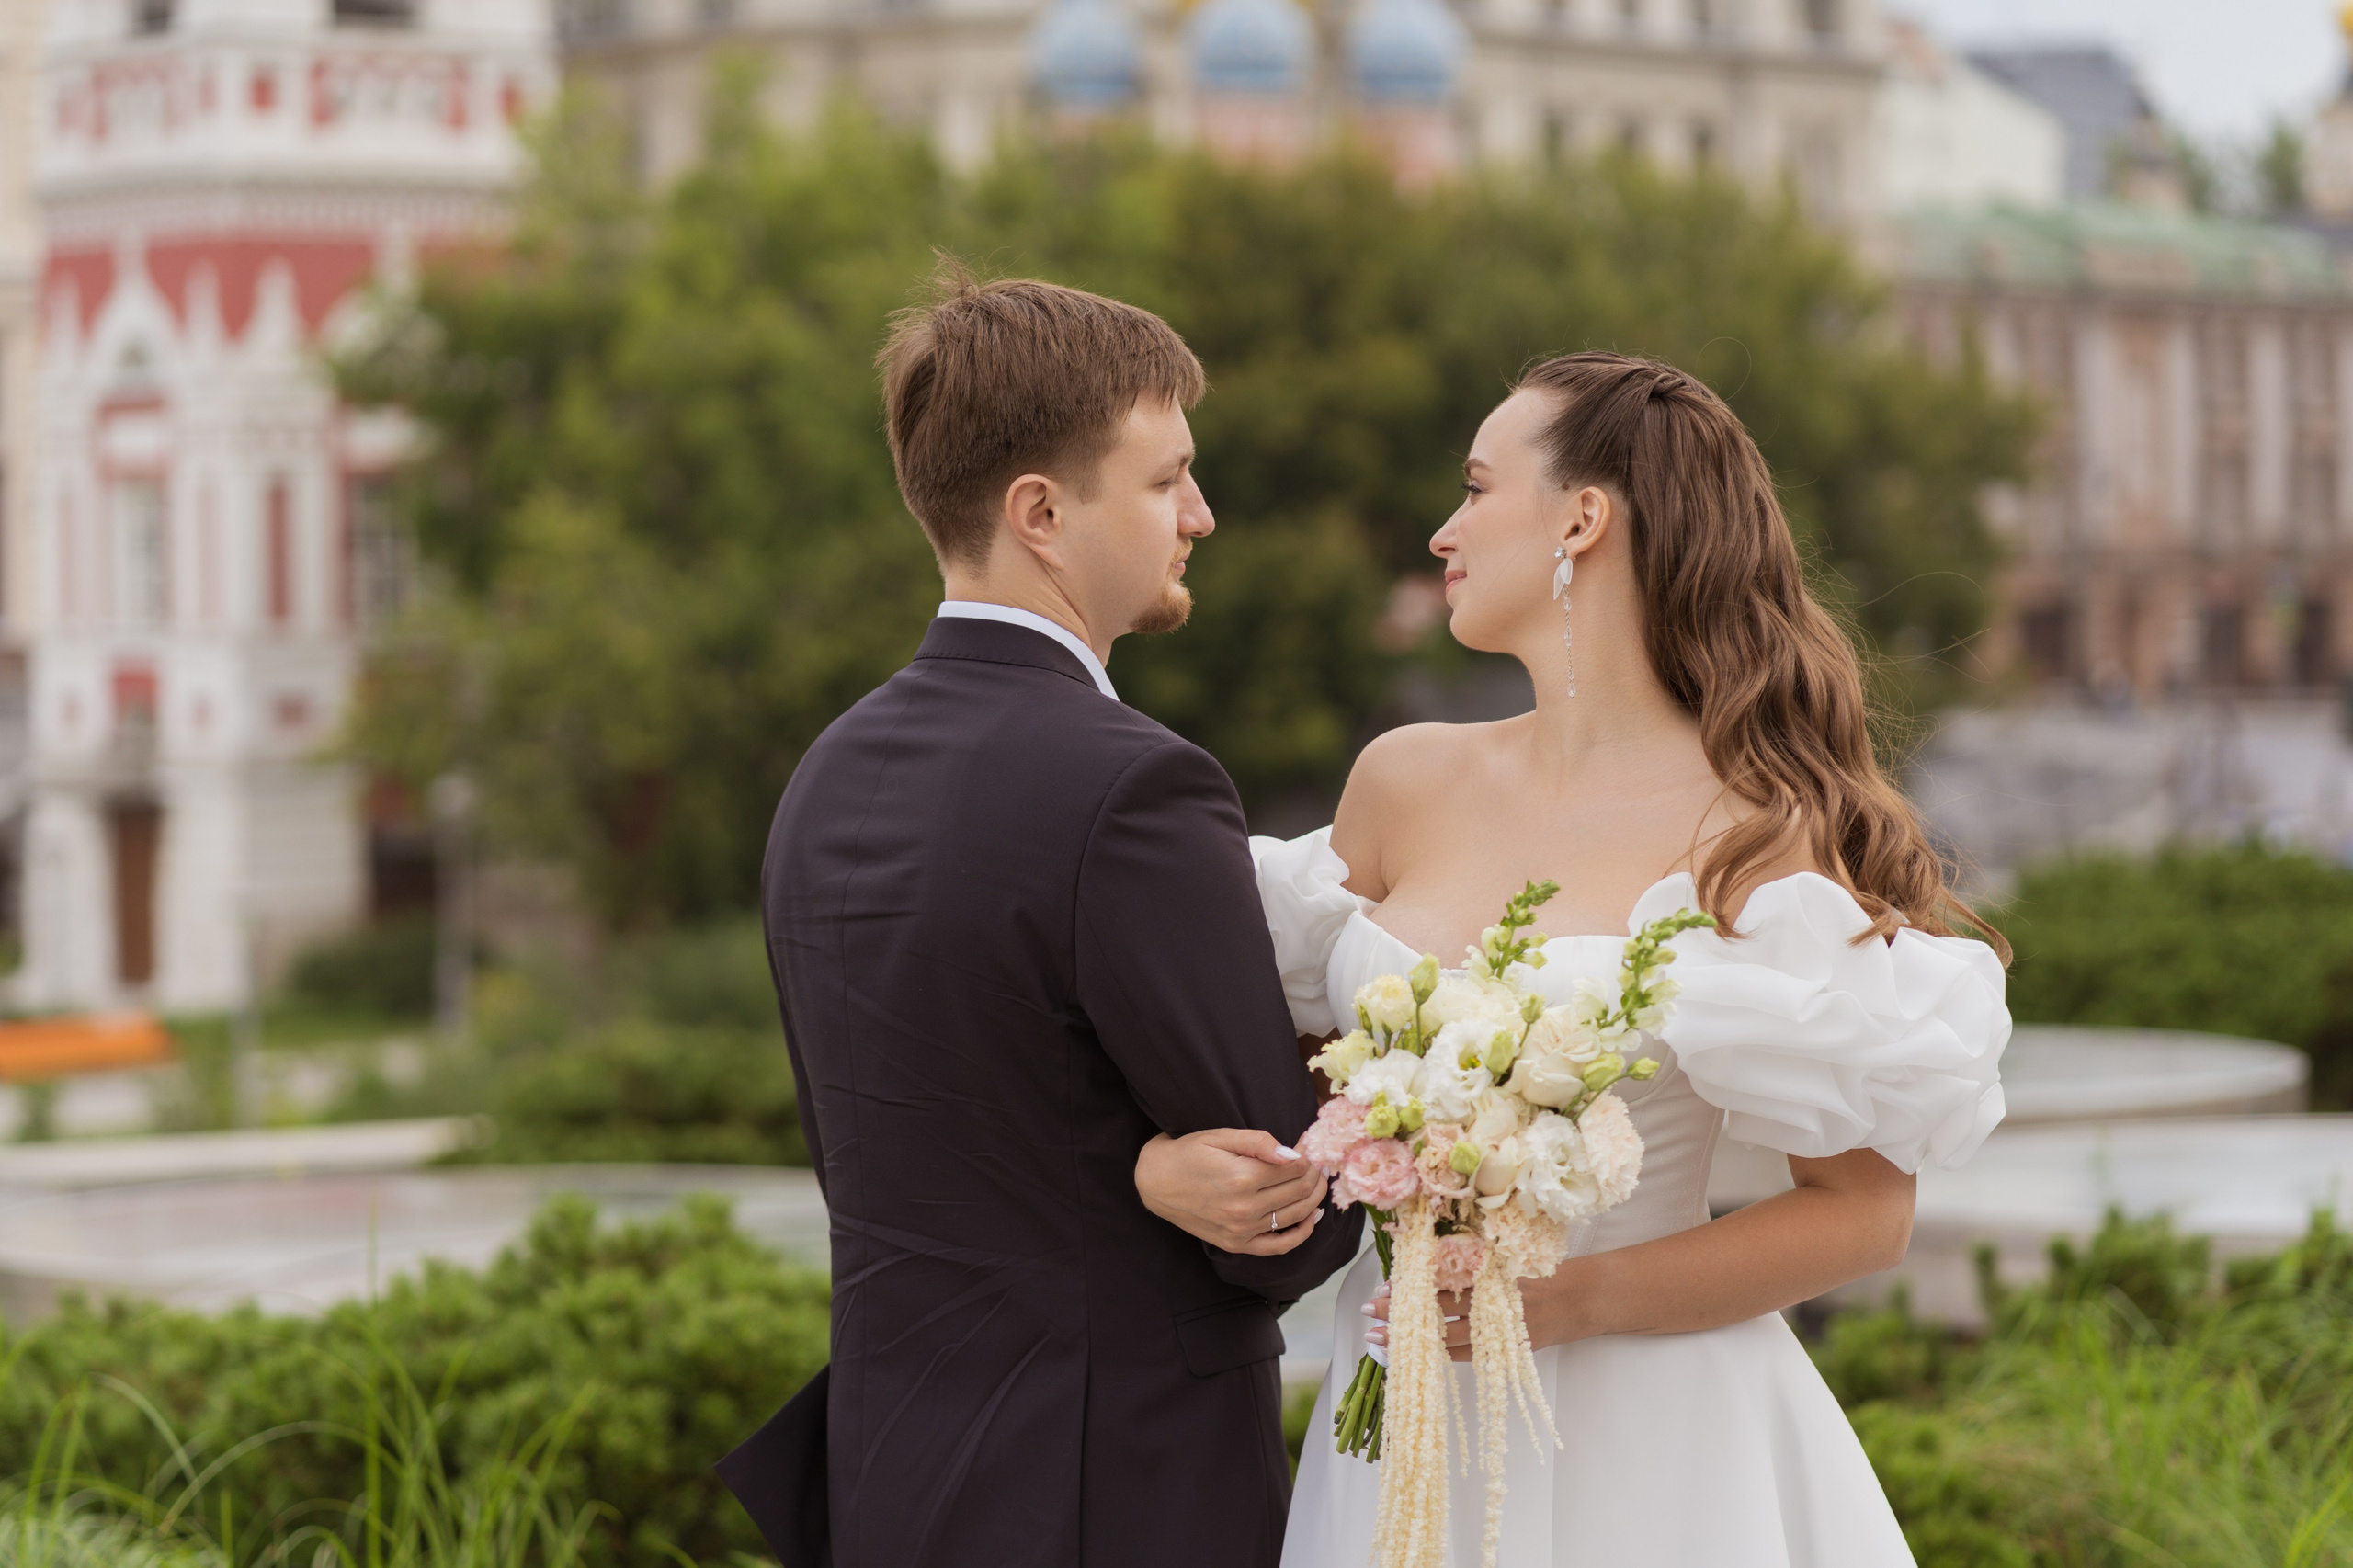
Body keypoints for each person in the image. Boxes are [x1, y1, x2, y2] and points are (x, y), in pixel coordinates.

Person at [1150, 350, 2012, 1565]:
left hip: (1656, 1443)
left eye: (1476, 488)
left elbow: (1863, 1215)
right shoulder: (1403, 780)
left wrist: (1569, 1303)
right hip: (1401, 1415)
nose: (1445, 531)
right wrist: (1179, 1166)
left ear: (1582, 519)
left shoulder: (1756, 827)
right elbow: (1298, 1083)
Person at [718, 268, 1364, 1568]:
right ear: (1042, 514)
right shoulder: (1136, 786)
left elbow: (903, 1155)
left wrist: (1116, 1173)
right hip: (1110, 1490)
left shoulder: (825, 773)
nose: (1202, 513)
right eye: (1165, 478)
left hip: (893, 1478)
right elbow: (1286, 1223)